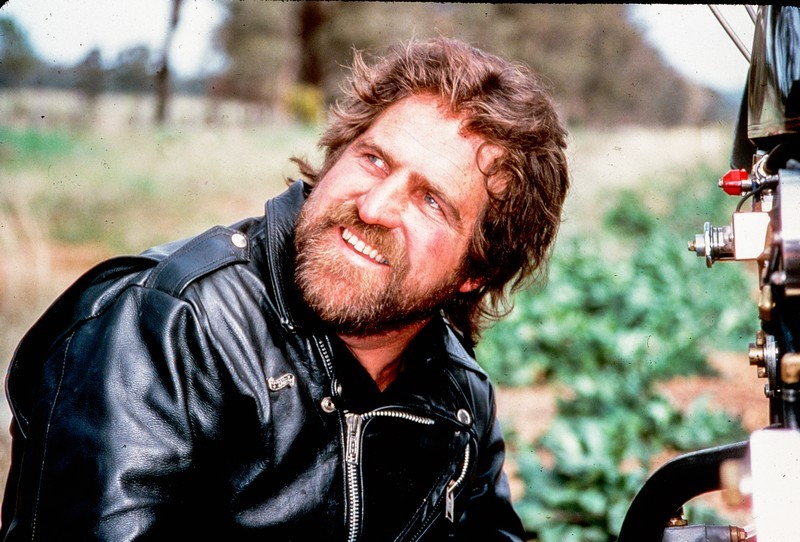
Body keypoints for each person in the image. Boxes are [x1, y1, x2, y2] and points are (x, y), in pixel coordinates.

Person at [1, 37, 568, 540]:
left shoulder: (461, 400)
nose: (374, 207)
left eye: (431, 201)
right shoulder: (167, 325)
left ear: (477, 271)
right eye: (373, 160)